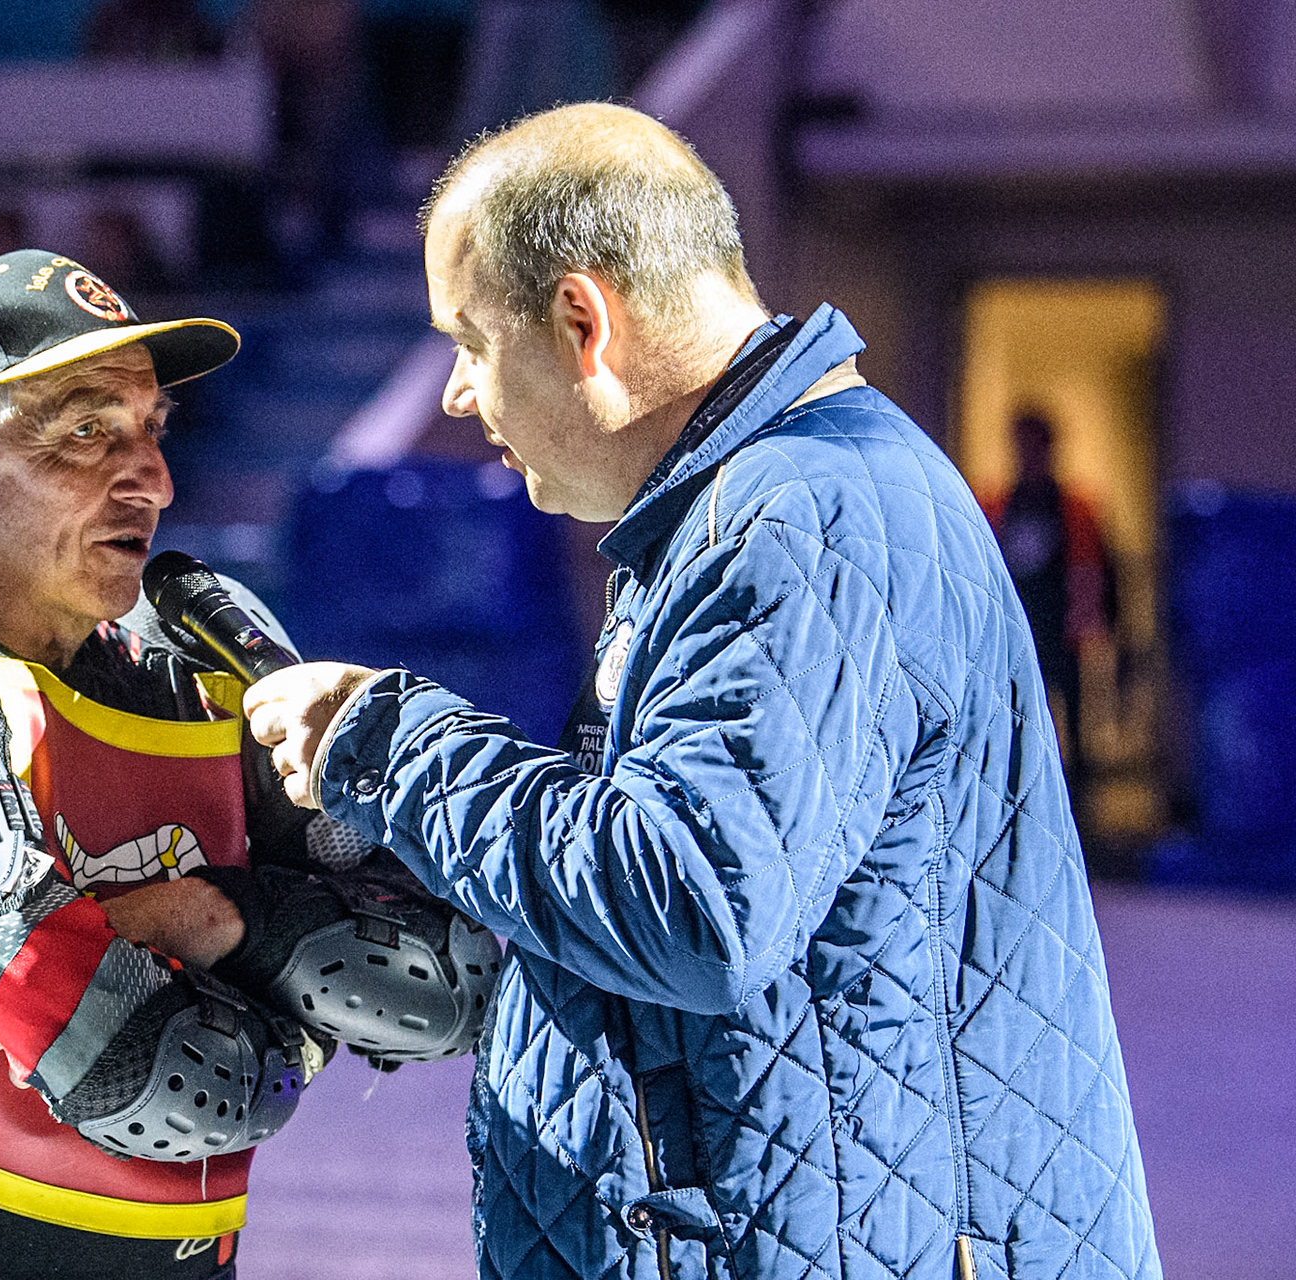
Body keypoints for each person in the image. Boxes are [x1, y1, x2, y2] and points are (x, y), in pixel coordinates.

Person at [247, 104, 1160, 1280]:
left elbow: (696, 904)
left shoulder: (797, 523)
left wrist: (389, 742)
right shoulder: (762, 502)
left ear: (583, 322)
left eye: (470, 343)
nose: (462, 395)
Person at [0, 248, 497, 1280]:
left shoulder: (199, 652)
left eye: (151, 433)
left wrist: (217, 914)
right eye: (87, 433)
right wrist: (295, 987)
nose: (153, 481)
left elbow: (451, 975)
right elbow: (164, 1081)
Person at [981, 410, 1114, 777]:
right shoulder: (997, 507)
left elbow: (1100, 566)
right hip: (1015, 626)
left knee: (1071, 712)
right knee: (1015, 708)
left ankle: (1075, 790)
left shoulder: (1076, 510)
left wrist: (1100, 621)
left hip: (1060, 625)